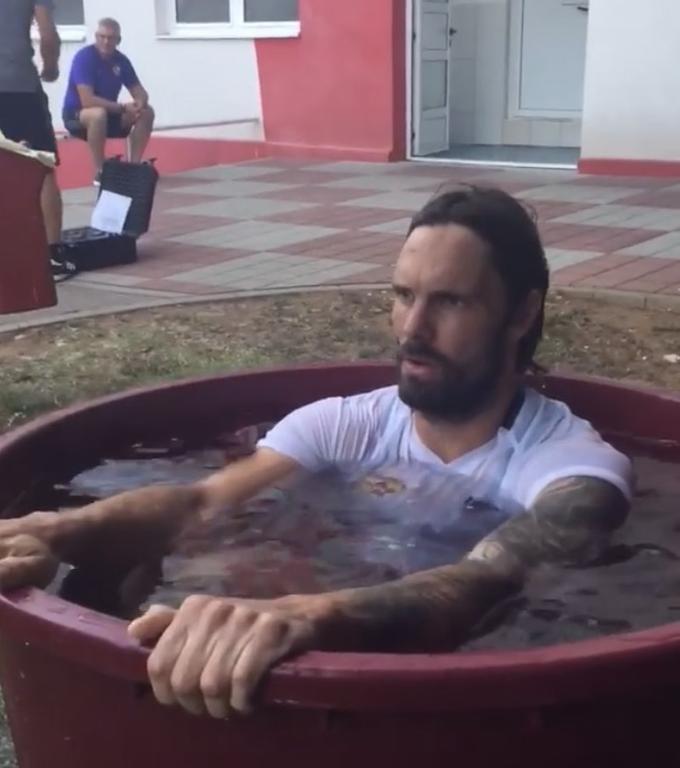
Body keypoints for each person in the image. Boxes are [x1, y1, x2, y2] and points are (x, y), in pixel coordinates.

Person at [0, 188, 632, 719]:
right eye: (404, 295)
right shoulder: (346, 423)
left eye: (450, 301)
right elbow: (202, 503)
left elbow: (487, 581)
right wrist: (63, 530)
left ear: (522, 314)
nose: (412, 328)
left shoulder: (570, 463)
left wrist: (309, 617)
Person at [0, 0, 64, 269]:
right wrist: (50, 67)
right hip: (18, 84)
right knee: (42, 165)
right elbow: (47, 34)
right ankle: (51, 254)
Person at [61, 17, 155, 185]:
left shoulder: (121, 61)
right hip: (77, 115)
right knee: (98, 114)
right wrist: (122, 108)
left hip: (109, 114)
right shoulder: (84, 58)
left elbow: (139, 91)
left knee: (147, 112)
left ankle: (133, 166)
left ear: (118, 40)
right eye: (101, 36)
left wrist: (140, 103)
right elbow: (87, 100)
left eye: (111, 38)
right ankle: (100, 171)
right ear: (96, 36)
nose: (106, 42)